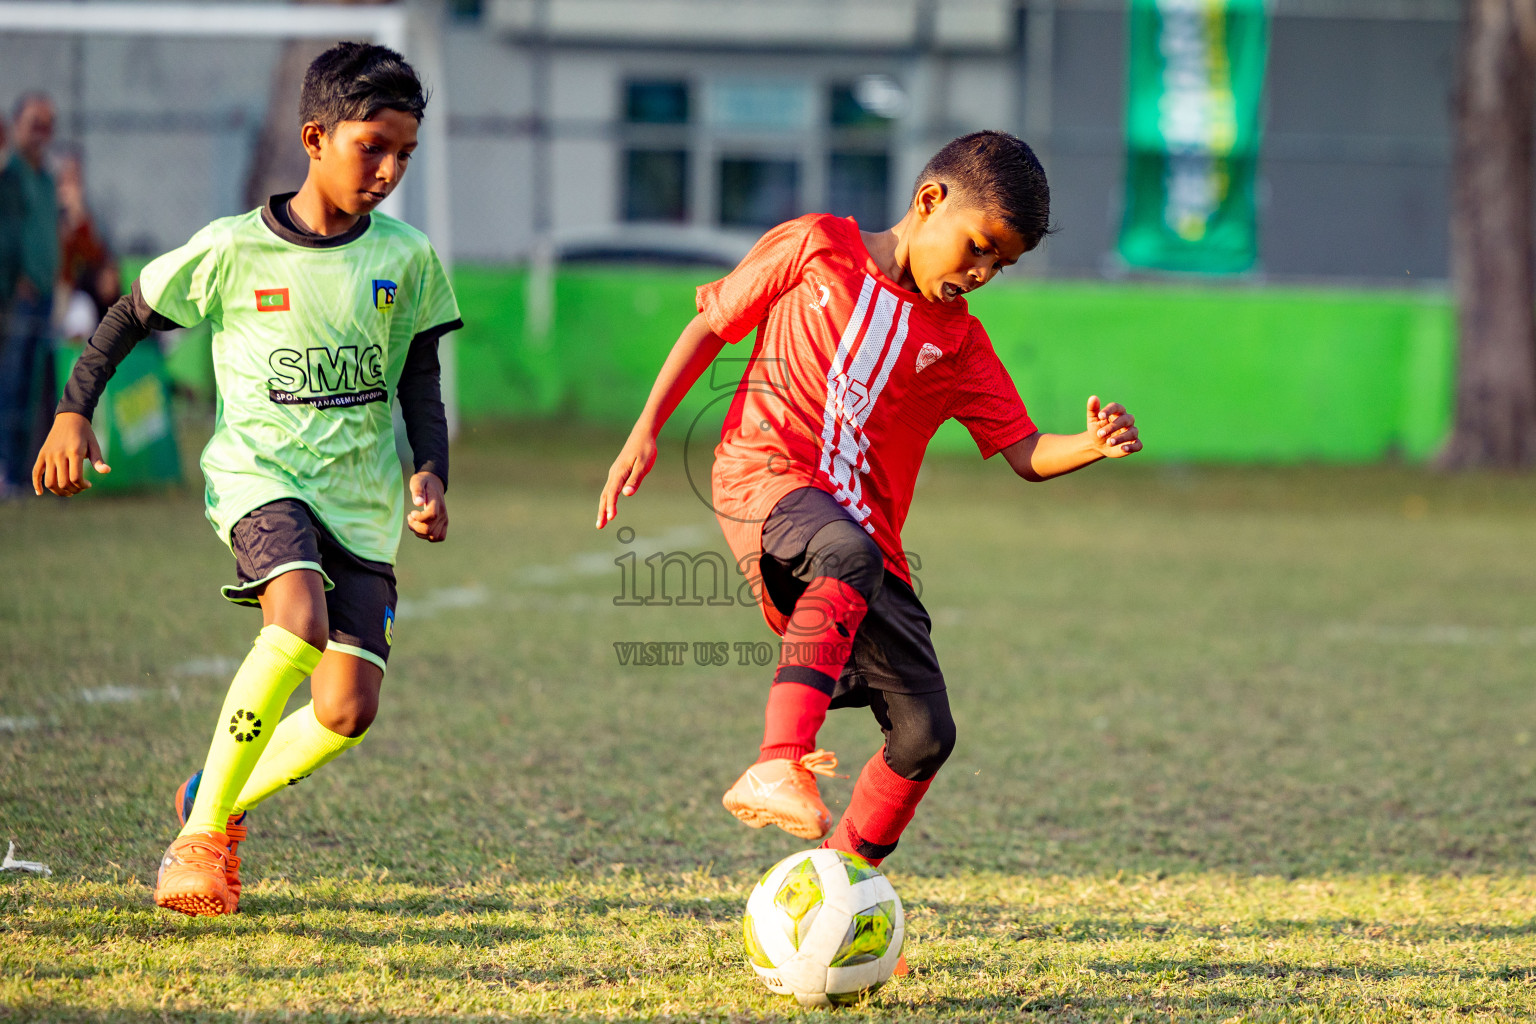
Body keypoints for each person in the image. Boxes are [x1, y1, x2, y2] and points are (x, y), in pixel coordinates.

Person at [596, 131, 1141, 870]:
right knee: (843, 551)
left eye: (1000, 266)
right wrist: (646, 430)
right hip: (767, 477)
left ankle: (842, 878)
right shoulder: (816, 245)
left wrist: (1090, 444)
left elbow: (1024, 451)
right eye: (979, 248)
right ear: (930, 201)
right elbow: (711, 325)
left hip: (867, 543)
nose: (982, 273)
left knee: (925, 735)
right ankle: (777, 761)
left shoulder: (960, 345)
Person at [32, 43, 462, 917]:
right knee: (296, 621)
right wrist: (75, 410)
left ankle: (212, 795)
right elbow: (128, 314)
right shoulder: (233, 248)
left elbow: (419, 378)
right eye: (372, 147)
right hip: (261, 477)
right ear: (314, 137)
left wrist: (430, 471)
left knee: (347, 709)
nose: (388, 171)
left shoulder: (409, 258)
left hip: (362, 501)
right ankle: (198, 844)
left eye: (405, 154)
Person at [0, 92, 57, 498]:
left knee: (36, 391)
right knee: (12, 386)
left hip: (47, 296)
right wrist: (15, 277)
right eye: (34, 124)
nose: (41, 133)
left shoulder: (47, 180)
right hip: (18, 297)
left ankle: (25, 473)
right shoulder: (10, 178)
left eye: (47, 125)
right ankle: (7, 470)